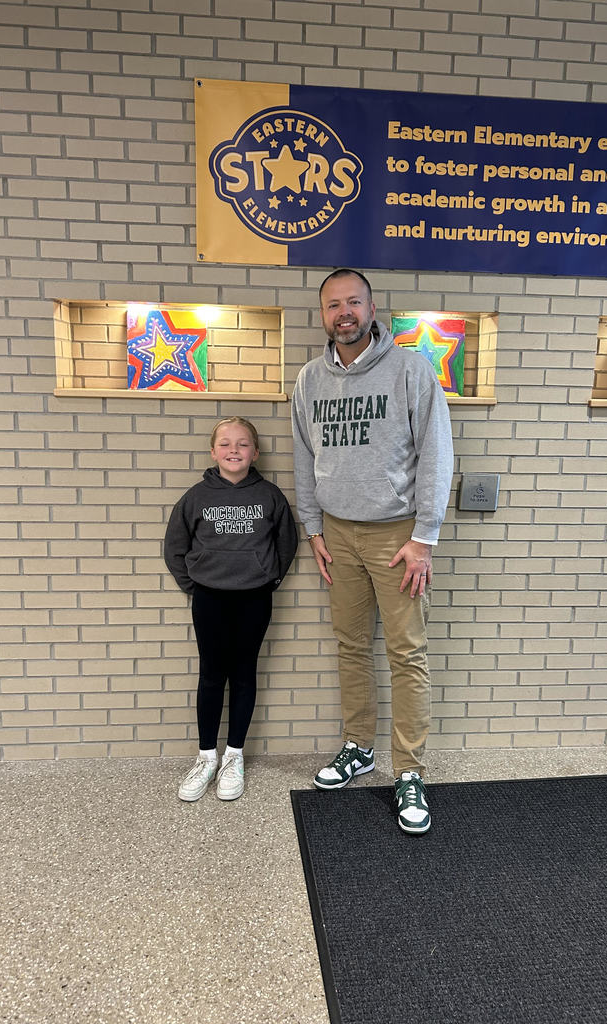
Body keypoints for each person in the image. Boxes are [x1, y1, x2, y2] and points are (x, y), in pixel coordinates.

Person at [291, 269, 454, 834]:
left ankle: (409, 770)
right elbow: (303, 457)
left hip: (397, 536)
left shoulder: (411, 369)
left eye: (353, 302)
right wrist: (313, 528)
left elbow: (436, 453)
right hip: (337, 534)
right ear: (323, 314)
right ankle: (358, 746)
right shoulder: (309, 379)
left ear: (371, 307)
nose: (344, 313)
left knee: (407, 653)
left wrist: (424, 537)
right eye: (333, 304)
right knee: (351, 645)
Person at [164, 417, 298, 803]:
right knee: (211, 675)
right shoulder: (195, 497)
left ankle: (233, 756)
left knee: (243, 674)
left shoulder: (270, 496)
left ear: (255, 453)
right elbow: (174, 547)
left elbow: (286, 543)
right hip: (209, 597)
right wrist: (194, 585)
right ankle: (207, 757)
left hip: (255, 597)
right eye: (225, 444)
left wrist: (268, 578)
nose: (233, 450)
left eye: (242, 444)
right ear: (213, 452)